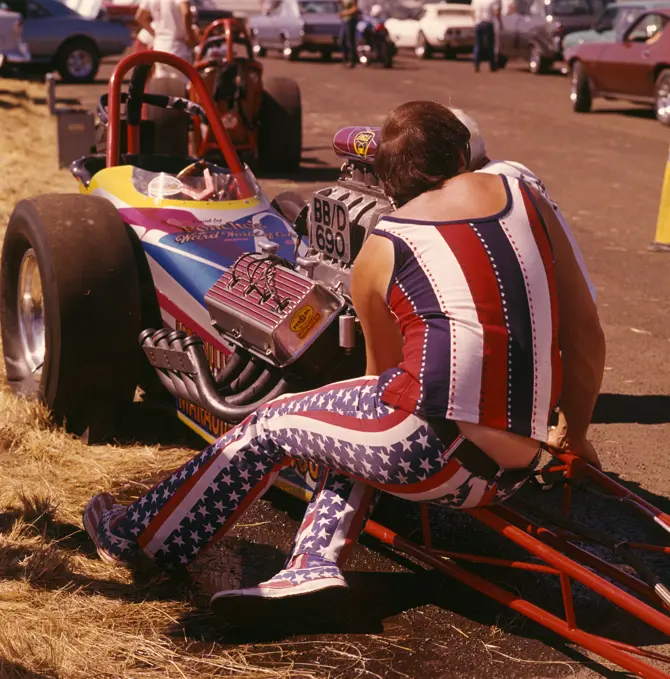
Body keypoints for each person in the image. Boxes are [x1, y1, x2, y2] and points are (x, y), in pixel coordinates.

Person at [82, 101, 605, 622]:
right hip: (519, 462)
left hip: (435, 462)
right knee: (345, 419)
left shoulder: (384, 244)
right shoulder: (526, 194)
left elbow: (379, 381)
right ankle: (311, 563)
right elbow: (585, 334)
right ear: (464, 153)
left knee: (267, 425)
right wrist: (575, 436)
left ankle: (135, 538)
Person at [448, 106, 601, 466]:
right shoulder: (509, 173)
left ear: (457, 158)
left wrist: (570, 434)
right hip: (559, 332)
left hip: (541, 340)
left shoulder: (489, 192)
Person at [135, 0, 199, 79]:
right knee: (180, 86)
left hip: (159, 45)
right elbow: (186, 12)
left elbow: (140, 16)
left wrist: (156, 35)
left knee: (161, 86)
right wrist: (189, 36)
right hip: (177, 46)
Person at [471, 0, 502, 72]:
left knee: (478, 44)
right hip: (488, 22)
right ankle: (492, 65)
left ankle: (476, 64)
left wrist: (475, 21)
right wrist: (500, 22)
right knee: (490, 45)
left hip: (478, 23)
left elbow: (472, 12)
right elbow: (496, 12)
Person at [340, 0, 360, 68]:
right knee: (342, 41)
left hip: (351, 21)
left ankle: (352, 61)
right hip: (344, 20)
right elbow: (342, 6)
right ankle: (345, 60)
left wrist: (345, 13)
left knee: (350, 41)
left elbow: (355, 8)